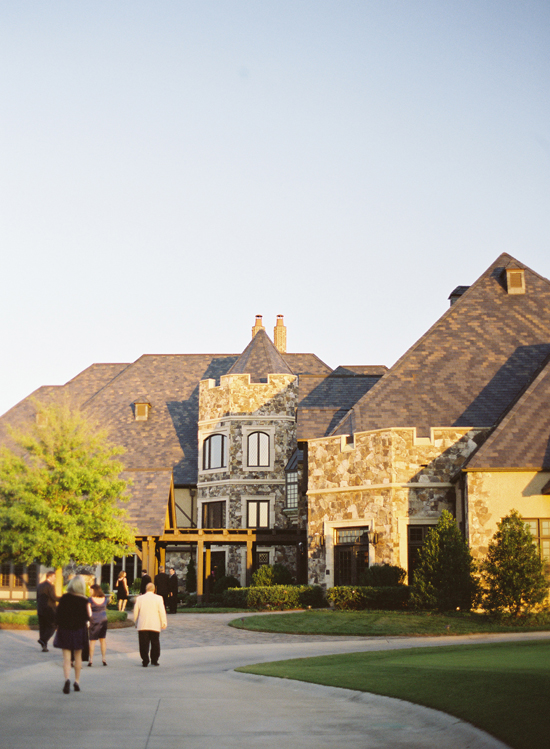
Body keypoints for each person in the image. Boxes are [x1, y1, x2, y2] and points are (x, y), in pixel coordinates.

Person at [53, 575, 91, 694]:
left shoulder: (64, 598)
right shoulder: (84, 600)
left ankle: (67, 679)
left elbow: (57, 615)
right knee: (78, 657)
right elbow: (87, 617)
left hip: (65, 629)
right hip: (79, 630)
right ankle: (77, 682)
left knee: (66, 658)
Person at [133, 581, 167, 667]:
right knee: (155, 642)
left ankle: (145, 660)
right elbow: (162, 611)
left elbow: (135, 612)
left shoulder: (140, 598)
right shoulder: (159, 598)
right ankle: (154, 660)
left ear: (146, 589)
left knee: (143, 643)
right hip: (154, 624)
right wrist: (163, 622)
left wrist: (135, 621)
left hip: (143, 624)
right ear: (154, 589)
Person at [37, 570, 57, 652]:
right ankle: (43, 639)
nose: (55, 578)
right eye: (54, 576)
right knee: (53, 626)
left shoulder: (40, 585)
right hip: (49, 610)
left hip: (40, 609)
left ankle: (44, 646)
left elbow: (37, 597)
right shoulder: (50, 586)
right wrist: (63, 598)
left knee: (43, 627)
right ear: (50, 576)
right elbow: (53, 597)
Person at [88, 584, 108, 667]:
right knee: (102, 640)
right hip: (103, 618)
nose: (89, 591)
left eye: (90, 590)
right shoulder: (105, 599)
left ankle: (91, 660)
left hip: (94, 619)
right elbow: (104, 608)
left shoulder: (90, 599)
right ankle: (103, 658)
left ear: (94, 590)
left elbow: (88, 611)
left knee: (92, 641)